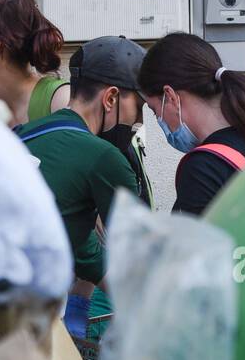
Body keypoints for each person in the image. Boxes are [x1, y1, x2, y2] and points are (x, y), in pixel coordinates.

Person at [15, 36, 148, 340]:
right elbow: (136, 257)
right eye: (137, 106)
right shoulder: (104, 157)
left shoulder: (22, 134)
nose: (139, 120)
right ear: (111, 98)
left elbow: (63, 219)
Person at [138, 31, 245, 214]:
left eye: (155, 111)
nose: (159, 121)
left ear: (170, 97)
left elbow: (193, 242)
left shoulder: (203, 168)